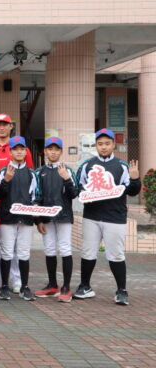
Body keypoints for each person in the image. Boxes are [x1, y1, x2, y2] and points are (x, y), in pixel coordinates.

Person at [74, 128, 141, 305]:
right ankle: (85, 286)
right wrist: (84, 193)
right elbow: (79, 188)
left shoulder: (122, 166)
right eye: (100, 144)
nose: (103, 147)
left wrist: (135, 179)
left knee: (116, 254)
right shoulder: (87, 165)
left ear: (113, 145)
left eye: (107, 143)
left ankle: (121, 290)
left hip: (115, 217)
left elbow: (132, 191)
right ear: (96, 145)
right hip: (92, 216)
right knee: (88, 252)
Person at [0, 113, 30, 293]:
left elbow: (29, 176)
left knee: (17, 246)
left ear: (11, 126)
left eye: (5, 124)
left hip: (14, 206)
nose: (1, 127)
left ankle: (16, 280)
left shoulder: (20, 148)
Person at [0, 136, 38, 302]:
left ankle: (24, 286)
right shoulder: (3, 172)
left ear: (26, 151)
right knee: (6, 252)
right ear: (10, 152)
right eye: (15, 149)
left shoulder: (32, 174)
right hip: (7, 218)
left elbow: (36, 196)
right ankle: (5, 286)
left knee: (24, 253)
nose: (19, 152)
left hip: (26, 219)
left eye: (21, 149)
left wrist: (35, 209)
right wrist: (6, 180)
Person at [35, 137, 79, 303]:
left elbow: (74, 194)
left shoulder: (68, 171)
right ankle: (52, 285)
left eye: (56, 149)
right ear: (45, 151)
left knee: (65, 249)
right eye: (50, 149)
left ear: (61, 151)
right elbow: (36, 197)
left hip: (64, 216)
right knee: (49, 249)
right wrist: (38, 220)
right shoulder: (39, 172)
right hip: (46, 217)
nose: (53, 152)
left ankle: (66, 287)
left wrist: (66, 178)